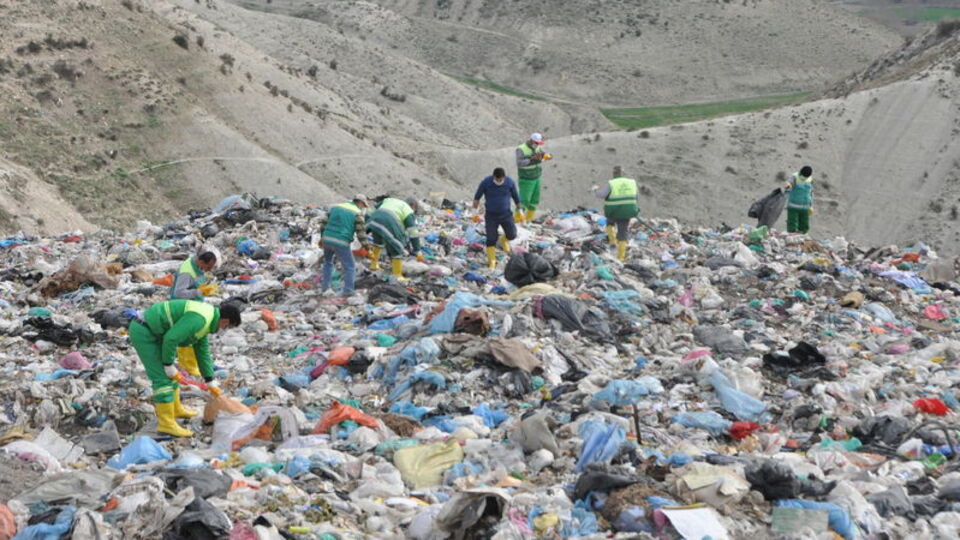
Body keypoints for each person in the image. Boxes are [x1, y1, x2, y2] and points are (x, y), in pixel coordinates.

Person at [127, 300, 242, 437]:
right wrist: (168, 365)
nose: (224, 330)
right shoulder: (200, 319)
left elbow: (202, 351)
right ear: (225, 320)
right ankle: (166, 424)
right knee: (162, 379)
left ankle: (176, 410)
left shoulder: (207, 319)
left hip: (156, 332)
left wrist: (210, 380)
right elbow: (171, 338)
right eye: (227, 327)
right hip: (144, 331)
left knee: (171, 376)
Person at [169, 250, 218, 376]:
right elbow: (178, 293)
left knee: (196, 336)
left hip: (194, 306)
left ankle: (196, 364)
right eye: (207, 267)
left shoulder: (197, 266)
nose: (207, 270)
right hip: (183, 307)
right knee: (187, 336)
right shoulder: (187, 271)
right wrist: (199, 292)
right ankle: (187, 366)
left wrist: (206, 288)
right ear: (201, 261)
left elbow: (196, 283)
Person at [318, 195, 370, 296]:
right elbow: (361, 233)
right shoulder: (357, 213)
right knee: (350, 266)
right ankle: (348, 291)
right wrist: (366, 247)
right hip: (341, 241)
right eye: (363, 205)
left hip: (327, 239)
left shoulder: (336, 207)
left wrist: (322, 237)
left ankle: (325, 287)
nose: (363, 208)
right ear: (360, 203)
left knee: (328, 262)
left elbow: (323, 223)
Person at [473, 167, 522, 270]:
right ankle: (492, 262)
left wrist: (520, 211)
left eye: (501, 179)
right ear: (494, 177)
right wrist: (474, 213)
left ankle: (503, 240)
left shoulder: (509, 182)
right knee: (491, 239)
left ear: (504, 177)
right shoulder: (486, 182)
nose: (499, 181)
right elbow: (477, 197)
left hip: (506, 215)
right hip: (491, 216)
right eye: (497, 179)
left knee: (512, 234)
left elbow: (516, 197)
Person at [366, 196, 423, 281]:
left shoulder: (389, 200)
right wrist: (417, 250)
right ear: (413, 205)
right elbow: (413, 232)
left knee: (378, 242)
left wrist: (366, 222)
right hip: (389, 221)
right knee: (397, 246)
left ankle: (373, 265)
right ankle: (397, 275)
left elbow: (370, 210)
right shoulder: (408, 210)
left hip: (374, 220)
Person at [592, 165, 638, 261]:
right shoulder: (632, 182)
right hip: (627, 211)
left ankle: (612, 241)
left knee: (610, 222)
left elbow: (601, 195)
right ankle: (621, 257)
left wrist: (595, 189)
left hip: (613, 211)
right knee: (623, 233)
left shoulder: (612, 183)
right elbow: (636, 196)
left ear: (614, 173)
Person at [515, 132, 551, 222]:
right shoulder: (521, 149)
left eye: (539, 144)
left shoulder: (538, 147)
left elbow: (543, 154)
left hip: (536, 177)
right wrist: (531, 159)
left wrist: (546, 156)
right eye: (536, 143)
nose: (538, 145)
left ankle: (528, 220)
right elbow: (519, 163)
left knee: (534, 200)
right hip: (526, 179)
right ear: (531, 141)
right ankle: (517, 220)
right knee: (524, 201)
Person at [784, 165, 814, 234]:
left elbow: (811, 192)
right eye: (804, 176)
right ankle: (791, 236)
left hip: (805, 206)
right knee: (792, 223)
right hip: (794, 205)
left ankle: (802, 236)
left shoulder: (810, 179)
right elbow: (788, 184)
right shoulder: (795, 177)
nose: (805, 177)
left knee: (804, 224)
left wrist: (811, 205)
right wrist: (788, 186)